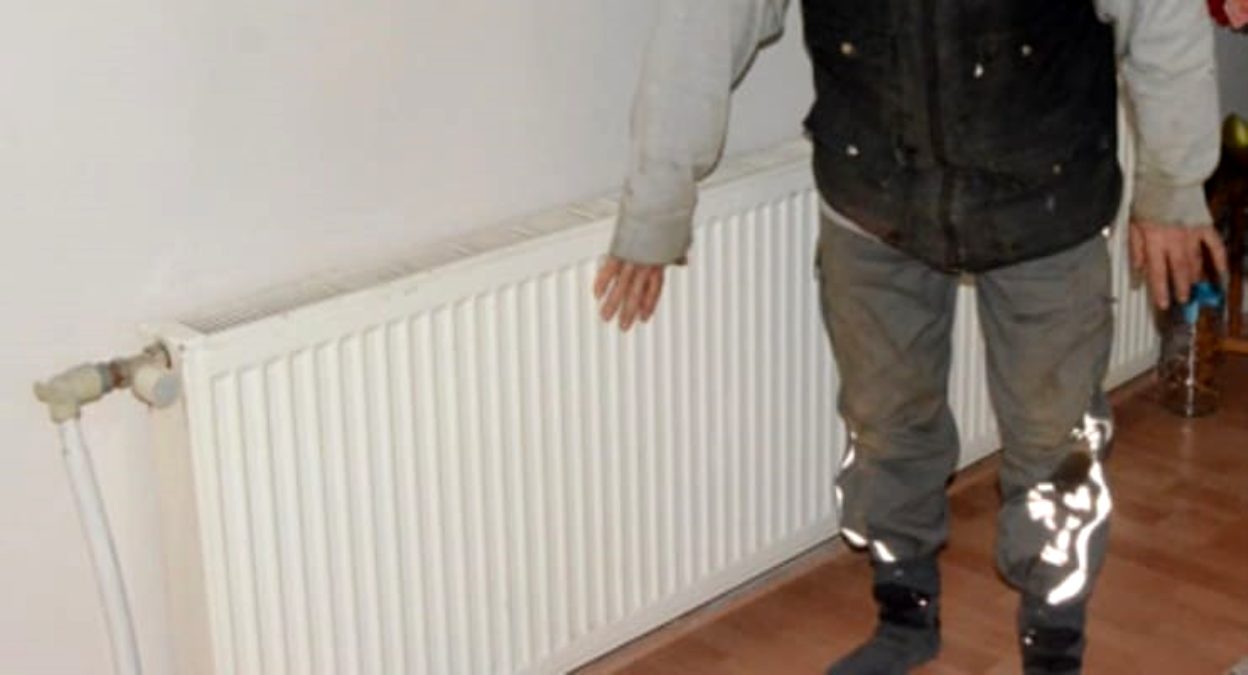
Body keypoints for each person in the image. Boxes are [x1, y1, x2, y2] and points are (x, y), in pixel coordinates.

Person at [592, 1, 1229, 673]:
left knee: (1057, 442)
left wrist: (1174, 187)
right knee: (886, 425)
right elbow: (699, 32)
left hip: (1049, 193)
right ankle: (904, 616)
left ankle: (1053, 646)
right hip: (873, 199)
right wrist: (655, 206)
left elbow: (1164, 17)